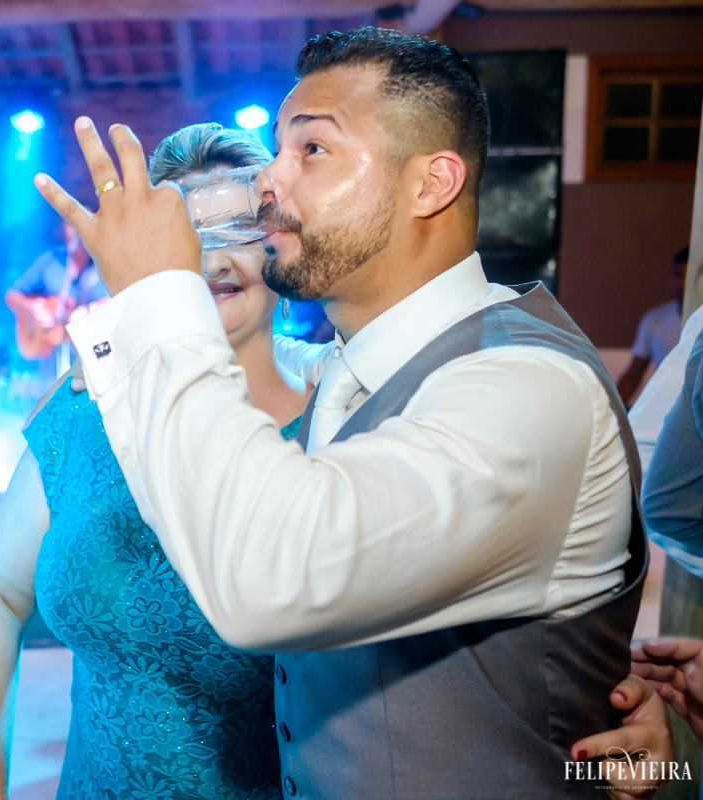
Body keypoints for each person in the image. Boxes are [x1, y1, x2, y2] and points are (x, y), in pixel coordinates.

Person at [35, 27, 650, 797]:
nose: (269, 184)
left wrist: (160, 295)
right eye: (276, 152)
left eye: (311, 151)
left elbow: (269, 579)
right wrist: (116, 355)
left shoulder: (527, 388)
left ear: (432, 184)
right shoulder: (345, 371)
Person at [0, 124, 304, 799]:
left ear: (279, 239)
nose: (212, 262)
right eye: (185, 240)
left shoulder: (341, 413)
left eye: (238, 231)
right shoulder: (89, 408)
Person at [5, 220, 109, 377]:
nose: (77, 228)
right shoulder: (50, 260)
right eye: (71, 223)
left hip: (93, 351)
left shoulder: (103, 263)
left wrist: (89, 310)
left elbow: (117, 302)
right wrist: (32, 307)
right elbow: (12, 295)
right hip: (50, 359)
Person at [618, 246, 689, 407]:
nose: (681, 283)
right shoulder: (654, 319)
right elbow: (633, 374)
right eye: (677, 275)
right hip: (664, 405)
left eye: (688, 277)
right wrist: (613, 406)